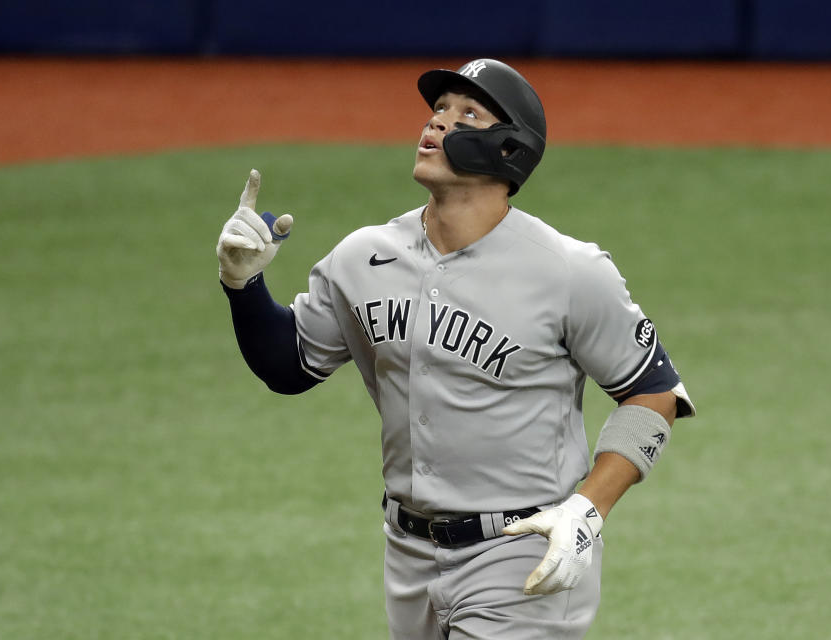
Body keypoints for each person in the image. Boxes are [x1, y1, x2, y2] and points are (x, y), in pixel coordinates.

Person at [216, 58, 695, 639]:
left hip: (523, 553)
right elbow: (288, 367)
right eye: (438, 109)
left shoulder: (569, 271)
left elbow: (652, 393)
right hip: (407, 555)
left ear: (509, 150)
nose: (439, 123)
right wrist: (244, 285)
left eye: (467, 114)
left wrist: (587, 510)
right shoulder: (363, 257)